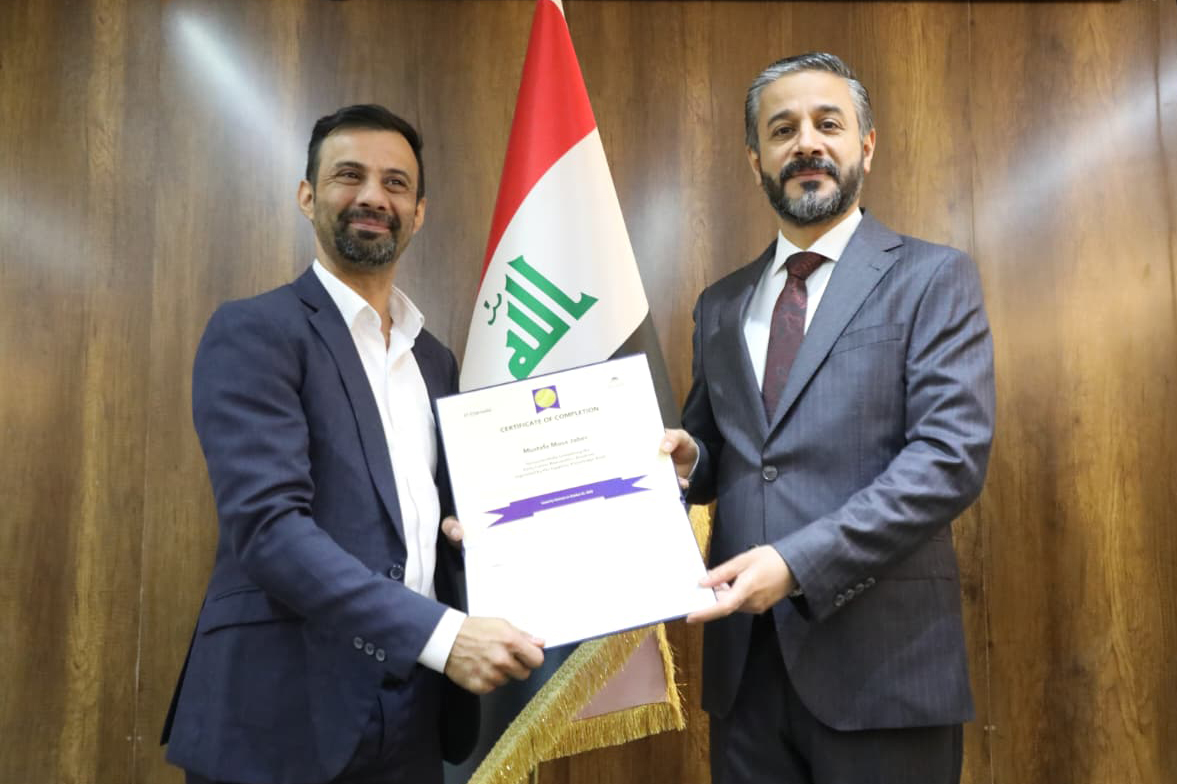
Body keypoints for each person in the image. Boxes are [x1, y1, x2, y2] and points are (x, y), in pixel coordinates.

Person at [161, 104, 545, 784]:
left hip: (418, 710)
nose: (374, 196)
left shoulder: (436, 360)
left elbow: (441, 521)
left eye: (396, 183)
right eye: (349, 175)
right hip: (284, 711)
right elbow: (270, 530)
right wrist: (442, 637)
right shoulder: (256, 331)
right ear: (307, 196)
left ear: (418, 213)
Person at [661, 53, 995, 784]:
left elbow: (948, 461)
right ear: (755, 158)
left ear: (865, 146)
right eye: (782, 130)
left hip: (884, 671)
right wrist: (692, 462)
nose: (806, 143)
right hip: (745, 676)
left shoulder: (932, 277)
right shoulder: (719, 304)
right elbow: (722, 451)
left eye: (827, 124)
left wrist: (796, 565)